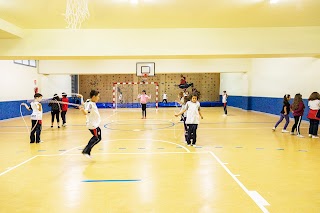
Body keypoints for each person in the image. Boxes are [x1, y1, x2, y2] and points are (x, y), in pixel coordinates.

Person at [79, 90, 102, 159]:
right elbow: (86, 112)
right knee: (96, 138)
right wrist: (82, 110)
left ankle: (87, 151)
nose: (99, 98)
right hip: (92, 125)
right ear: (94, 96)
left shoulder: (89, 101)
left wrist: (81, 97)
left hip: (95, 124)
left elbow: (83, 103)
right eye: (98, 96)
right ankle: (86, 151)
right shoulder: (90, 104)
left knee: (99, 138)